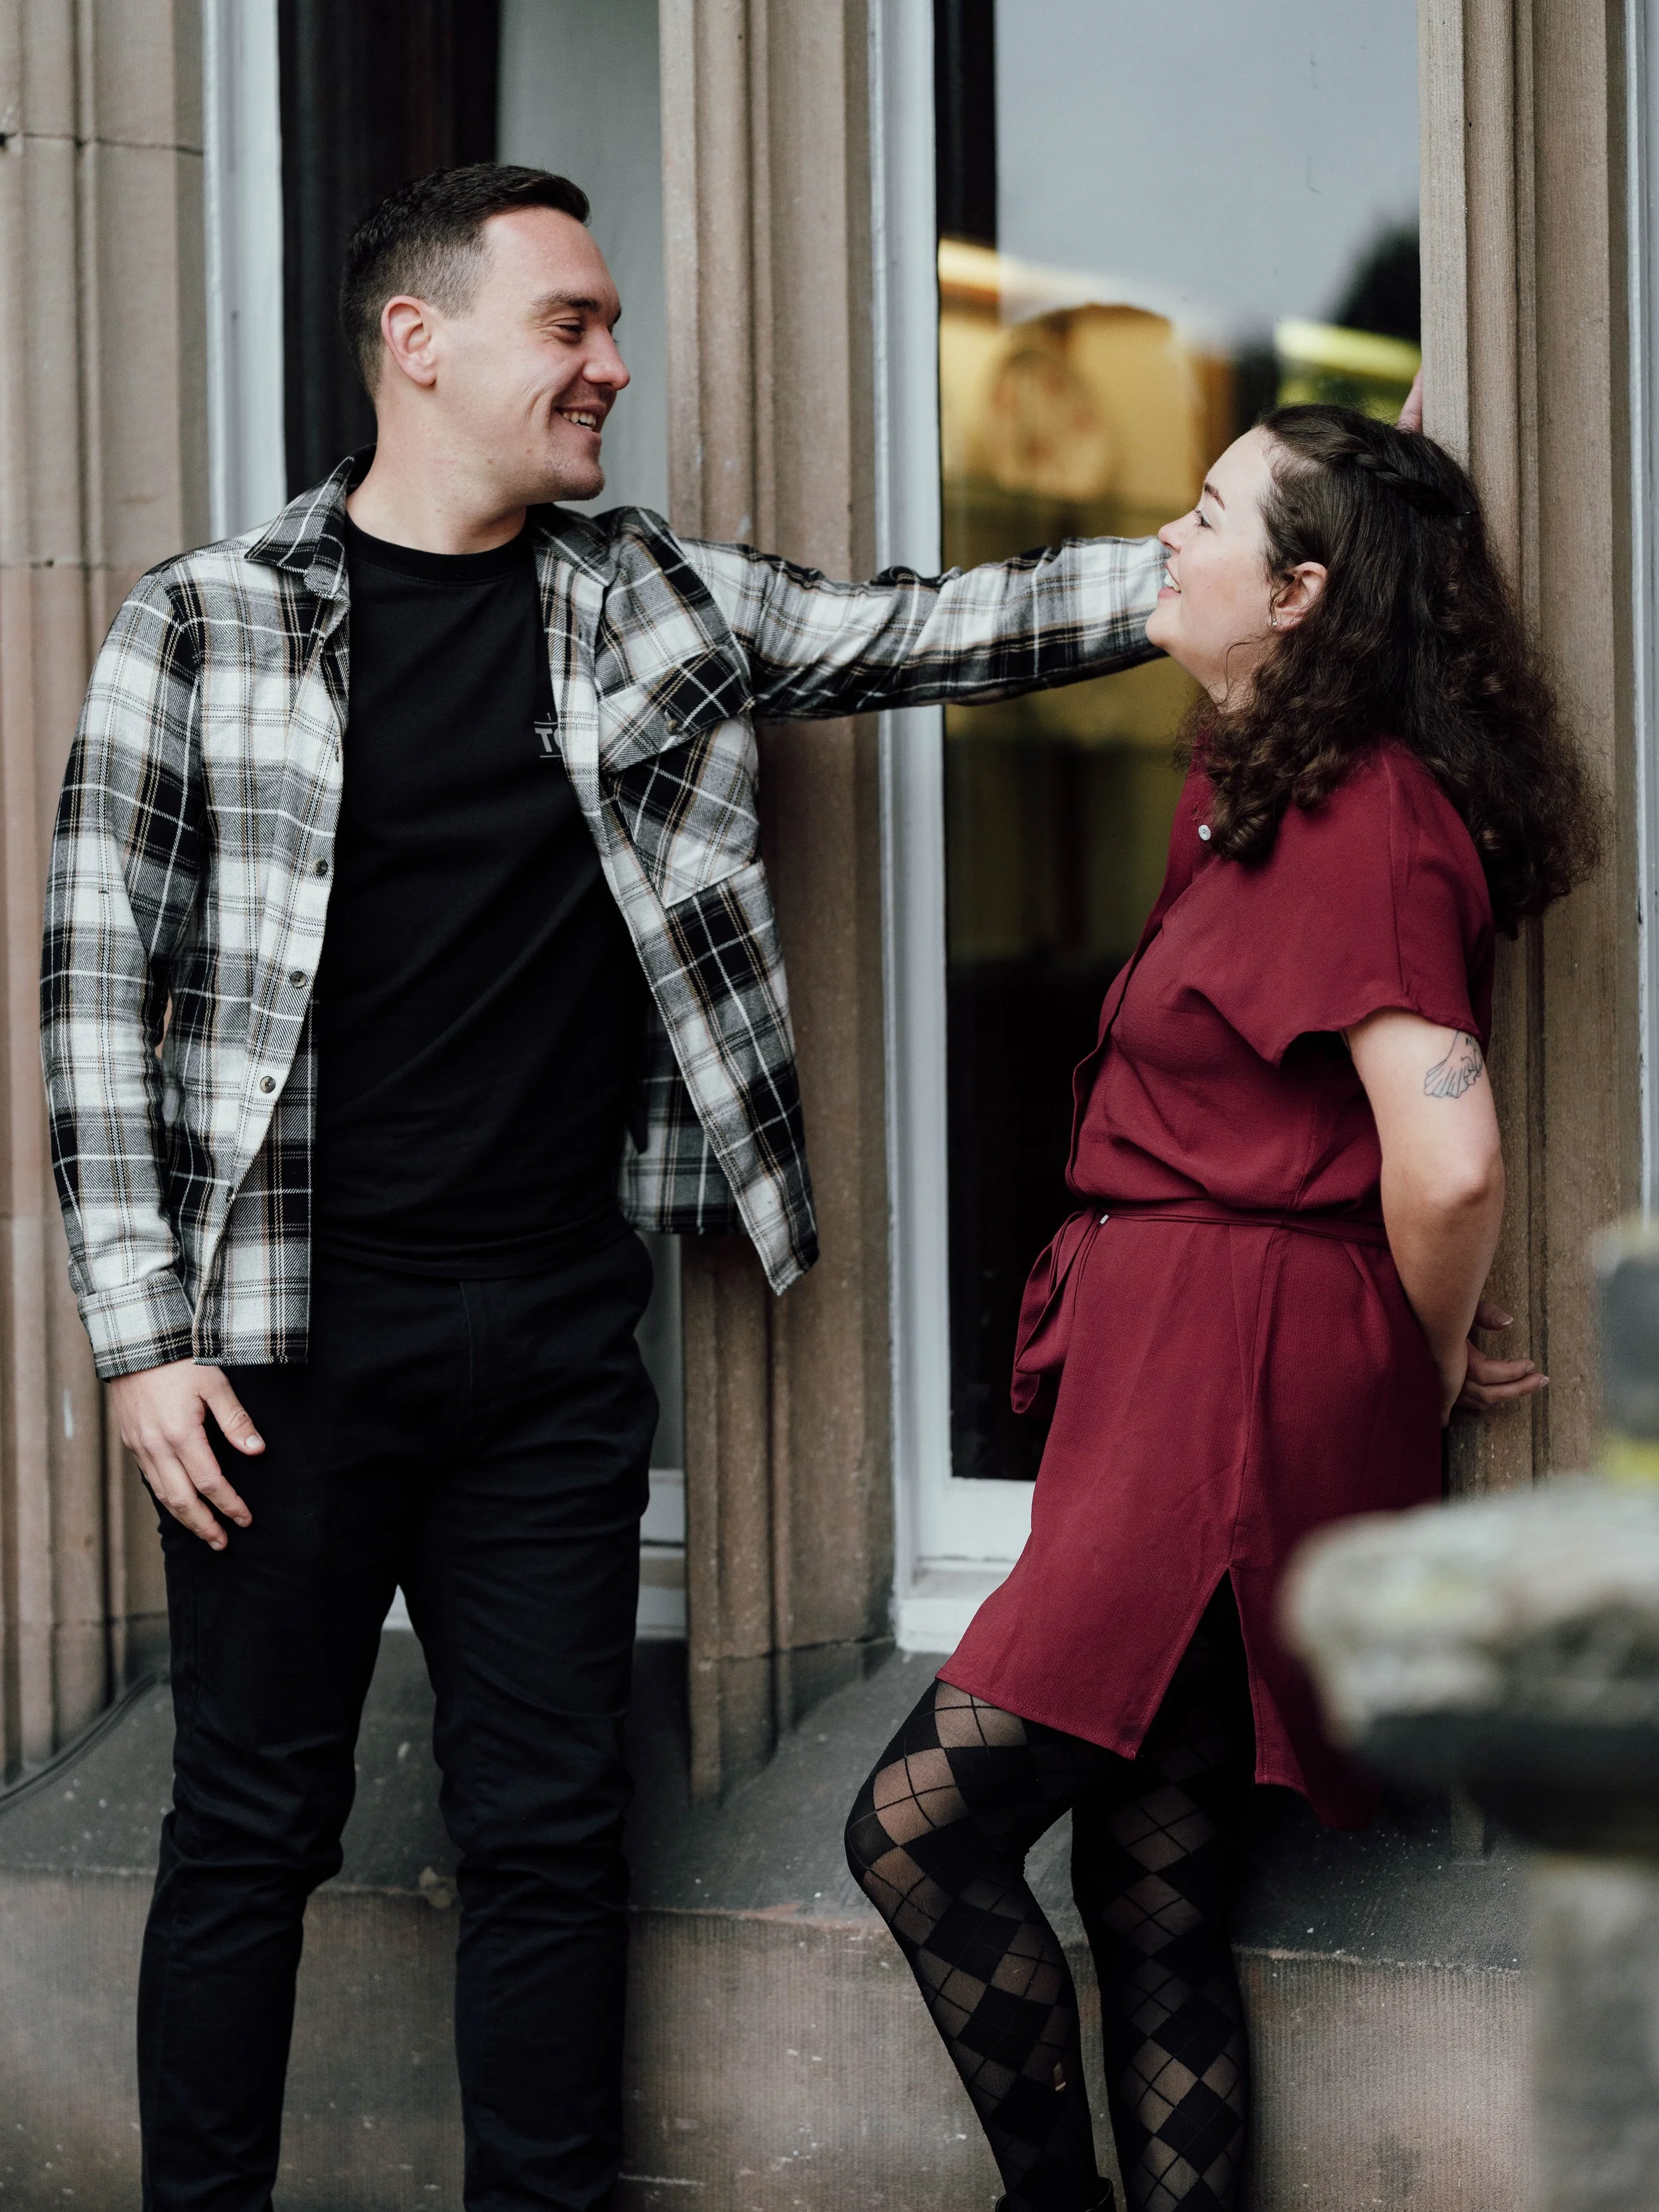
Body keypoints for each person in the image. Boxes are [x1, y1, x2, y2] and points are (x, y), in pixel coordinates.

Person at [39, 161, 1173, 2212]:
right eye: (569, 323)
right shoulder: (200, 627)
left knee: (553, 1840)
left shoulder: (642, 594)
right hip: (280, 1350)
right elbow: (94, 999)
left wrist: (1206, 567)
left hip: (550, 1346)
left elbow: (911, 632)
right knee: (245, 1838)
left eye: (608, 327)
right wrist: (144, 1337)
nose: (610, 366)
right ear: (422, 339)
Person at [845, 403, 1601, 2212]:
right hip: (1178, 1361)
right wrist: (1363, 460)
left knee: (915, 1835)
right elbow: (1287, 587)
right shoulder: (1268, 759)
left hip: (1229, 1385)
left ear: (1303, 589)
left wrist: (1398, 1374)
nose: (1162, 539)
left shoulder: (1367, 820)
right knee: (1151, 1885)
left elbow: (1451, 1161)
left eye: (1204, 515)